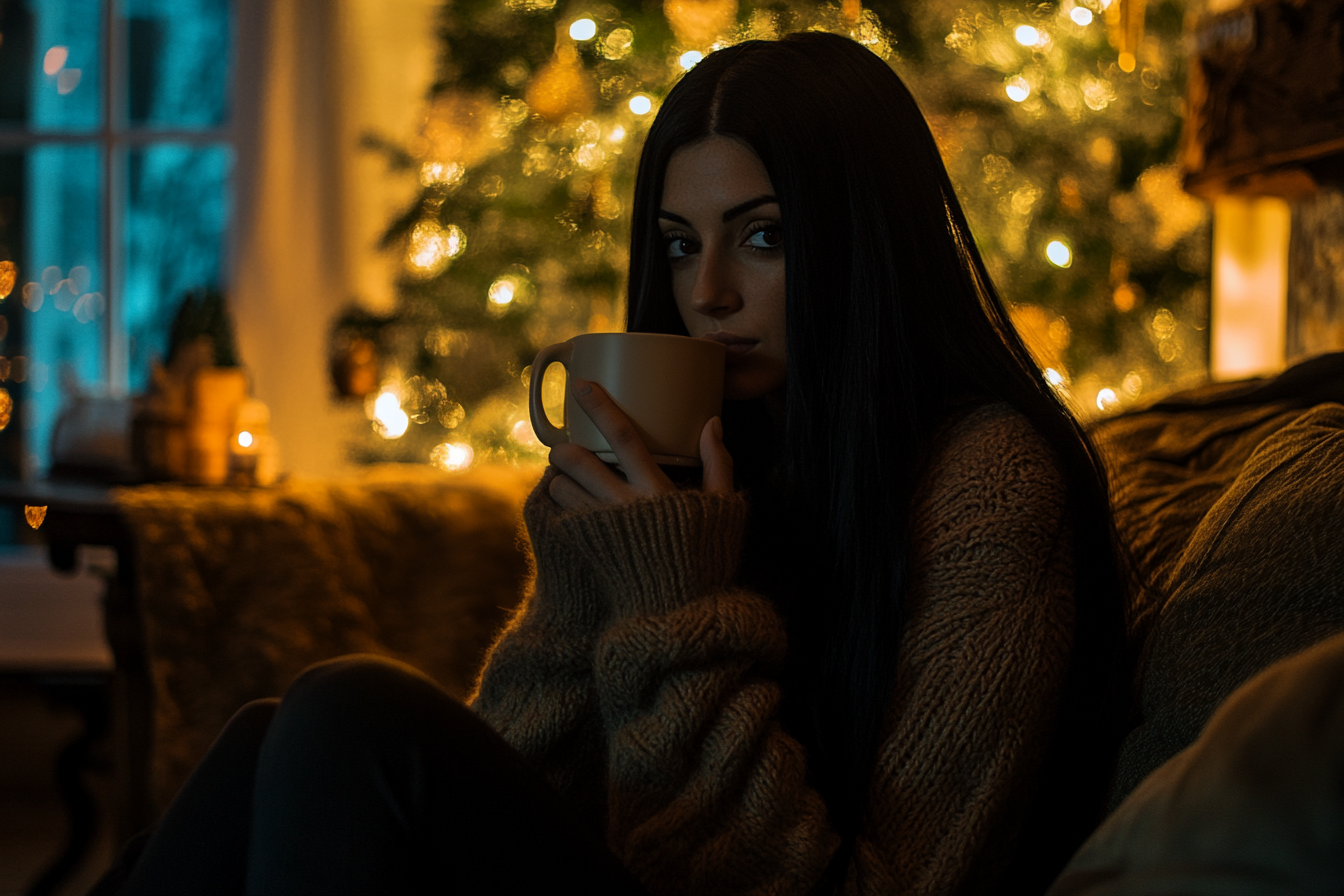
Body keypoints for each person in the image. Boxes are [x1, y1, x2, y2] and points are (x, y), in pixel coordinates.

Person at [98, 31, 1127, 896]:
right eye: (681, 245)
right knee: (266, 745)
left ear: (865, 242)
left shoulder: (992, 481)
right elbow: (531, 783)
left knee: (345, 713)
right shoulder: (734, 452)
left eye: (763, 238)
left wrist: (676, 602)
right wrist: (584, 583)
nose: (709, 290)